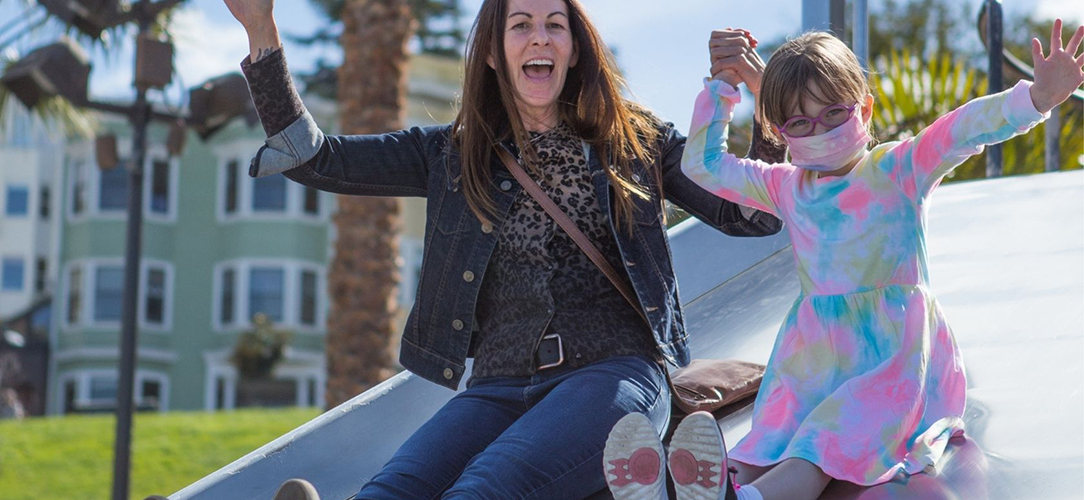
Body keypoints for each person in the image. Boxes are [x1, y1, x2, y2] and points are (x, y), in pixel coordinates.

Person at [222, 0, 786, 498]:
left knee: (483, 489)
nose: (539, 37)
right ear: (493, 52)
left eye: (555, 25)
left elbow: (754, 214)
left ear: (573, 49)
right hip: (497, 387)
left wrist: (762, 99)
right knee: (389, 491)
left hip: (611, 375)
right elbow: (312, 158)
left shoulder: (636, 141)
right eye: (521, 25)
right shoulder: (452, 154)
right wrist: (261, 29)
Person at [653, 19, 1083, 500]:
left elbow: (961, 129)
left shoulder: (898, 168)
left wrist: (1037, 98)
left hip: (889, 360)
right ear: (780, 131)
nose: (820, 131)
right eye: (801, 123)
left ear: (865, 108)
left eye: (834, 114)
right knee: (768, 441)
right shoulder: (786, 186)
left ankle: (747, 498)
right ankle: (694, 488)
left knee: (820, 446)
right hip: (812, 359)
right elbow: (704, 166)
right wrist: (721, 89)